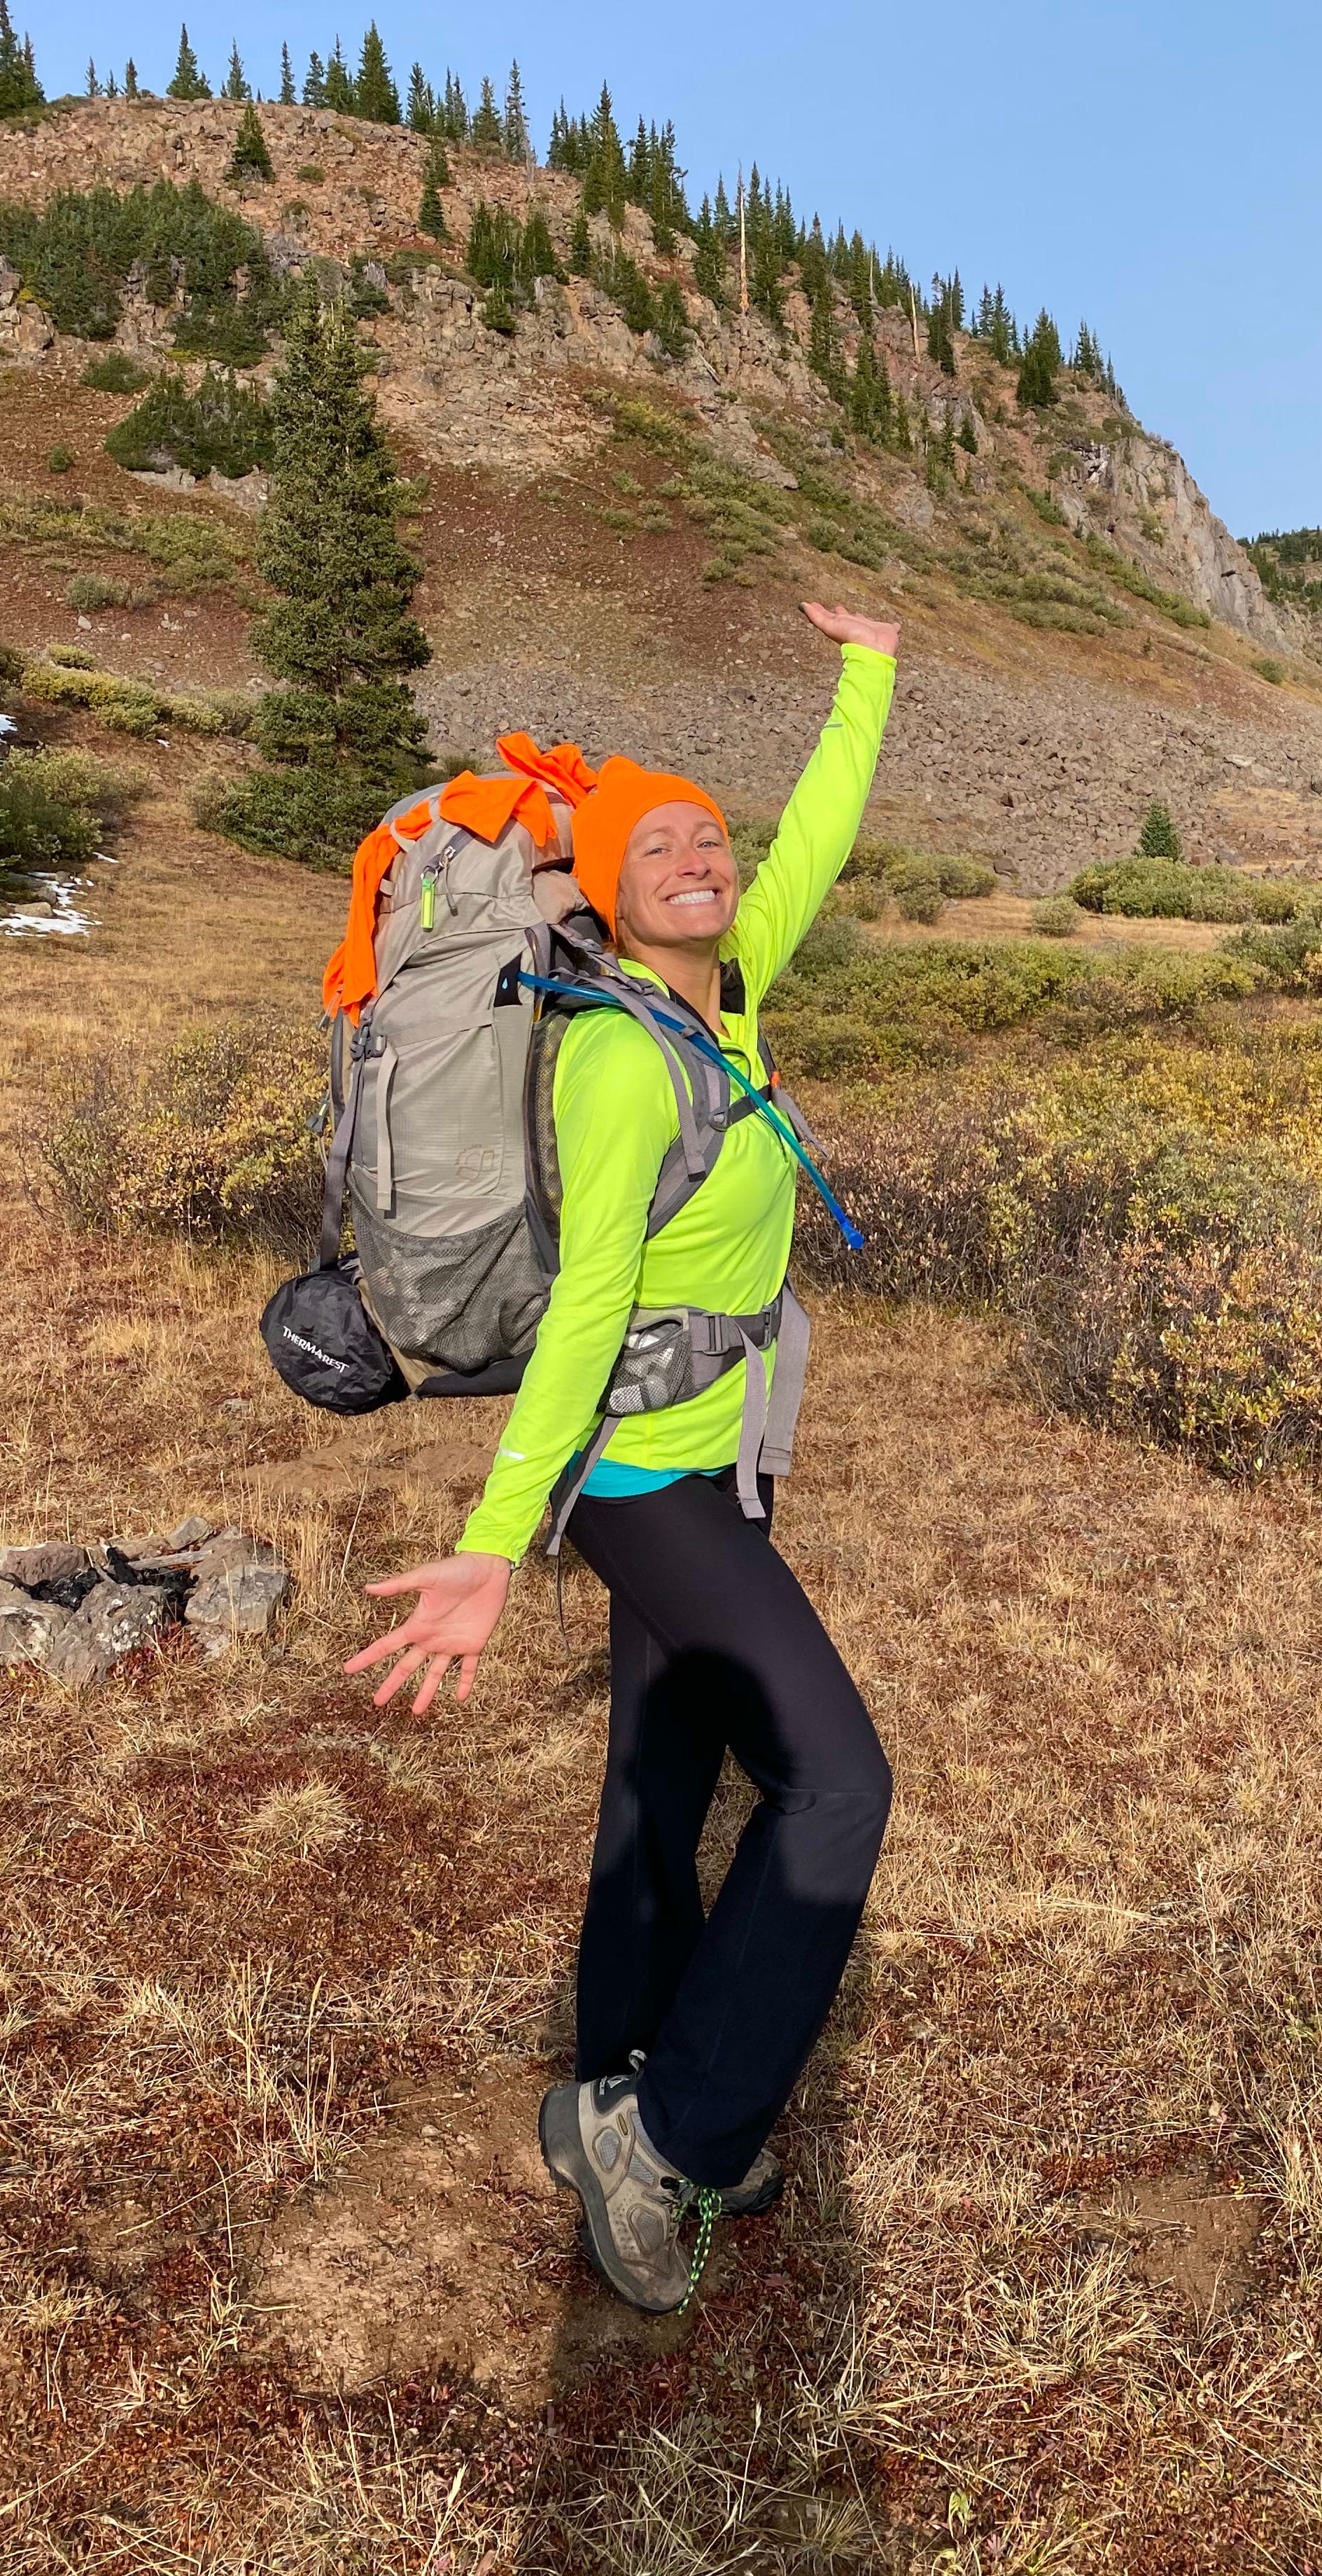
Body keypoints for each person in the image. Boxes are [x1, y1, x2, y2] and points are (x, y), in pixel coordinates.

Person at [346, 601, 901, 2313]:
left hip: (710, 1459)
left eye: (707, 839)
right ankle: (680, 2142)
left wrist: (867, 671)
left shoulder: (725, 999)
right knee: (836, 1785)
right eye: (654, 845)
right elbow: (586, 1313)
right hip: (645, 1480)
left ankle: (617, 2077)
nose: (699, 859)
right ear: (598, 883)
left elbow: (815, 833)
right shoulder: (614, 1057)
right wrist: (498, 1542)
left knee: (662, 1776)